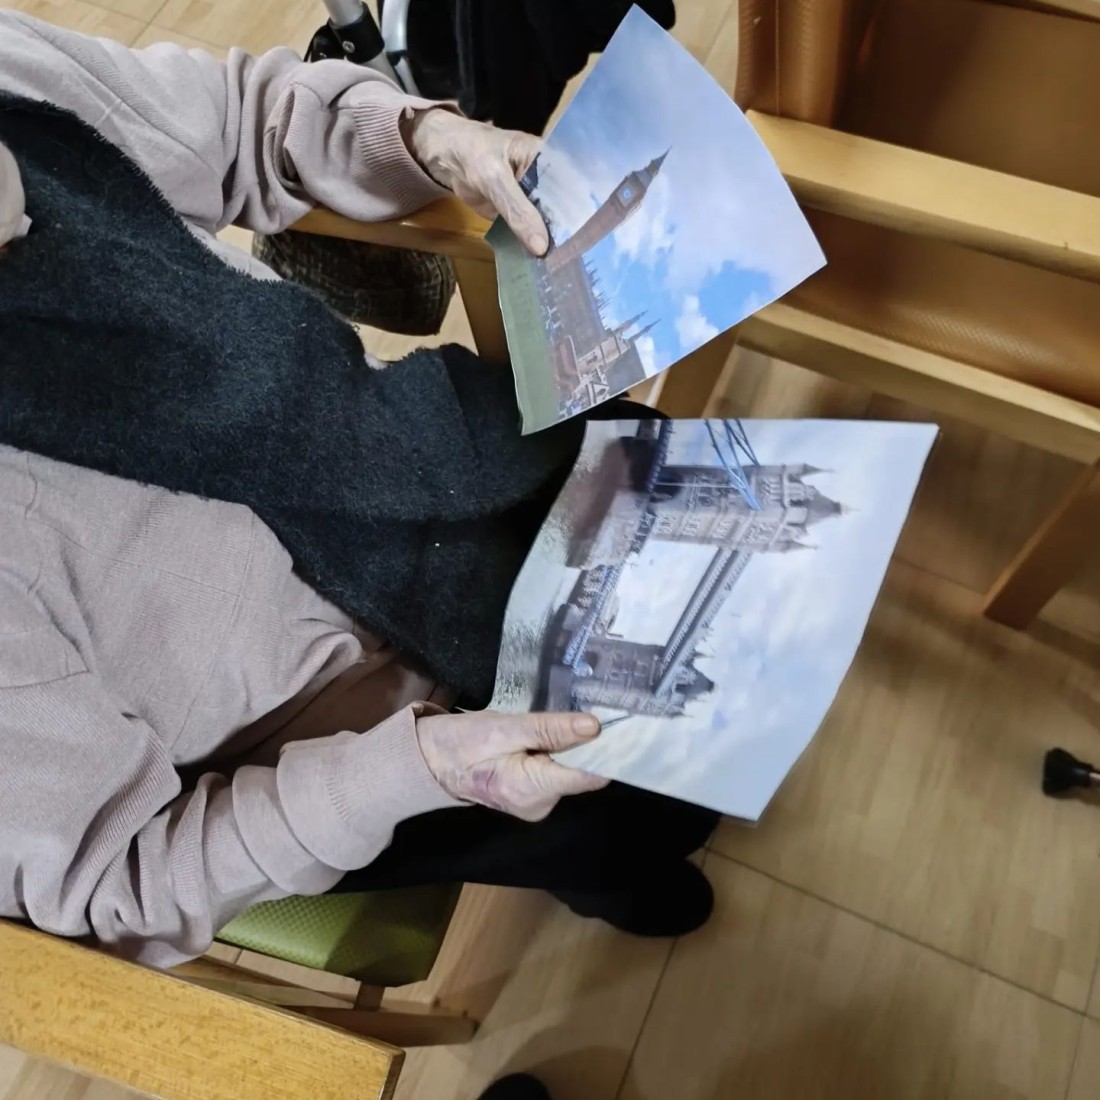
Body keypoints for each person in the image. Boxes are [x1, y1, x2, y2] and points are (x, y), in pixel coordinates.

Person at [0, 12, 716, 970]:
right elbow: (116, 884)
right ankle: (616, 863)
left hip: (400, 443)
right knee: (620, 802)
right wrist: (412, 771)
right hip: (359, 729)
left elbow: (242, 117)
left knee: (672, 483)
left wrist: (426, 138)